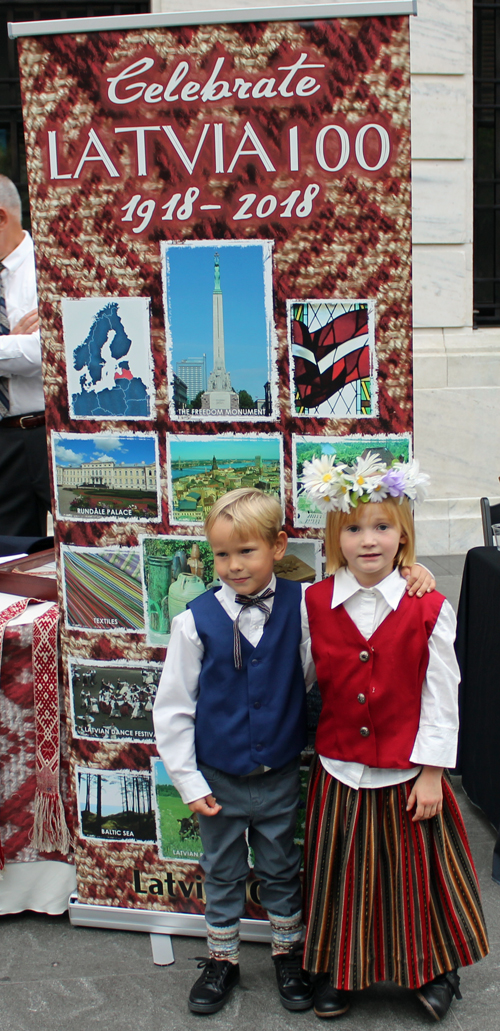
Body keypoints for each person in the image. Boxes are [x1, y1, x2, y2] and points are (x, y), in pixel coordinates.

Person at [153, 487, 434, 1016]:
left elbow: (319, 664)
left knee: (284, 865)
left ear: (279, 546)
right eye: (221, 554)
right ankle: (222, 959)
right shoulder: (194, 621)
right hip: (218, 775)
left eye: (246, 552)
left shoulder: (306, 607)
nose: (234, 566)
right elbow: (172, 710)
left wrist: (416, 573)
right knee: (221, 867)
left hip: (280, 771)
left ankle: (288, 953)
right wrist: (189, 782)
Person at [300, 453, 489, 1022]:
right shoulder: (313, 604)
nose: (368, 541)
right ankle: (340, 968)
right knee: (343, 879)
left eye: (382, 527)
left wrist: (433, 772)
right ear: (336, 538)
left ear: (403, 535)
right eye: (354, 529)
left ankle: (435, 968)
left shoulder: (427, 605)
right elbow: (299, 677)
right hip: (342, 770)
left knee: (415, 883)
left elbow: (440, 694)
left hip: (409, 775)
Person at [0, 175, 50, 536]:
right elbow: (29, 350)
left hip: (51, 431)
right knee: (13, 557)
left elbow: (47, 352)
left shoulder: (50, 267)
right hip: (4, 442)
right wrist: (12, 341)